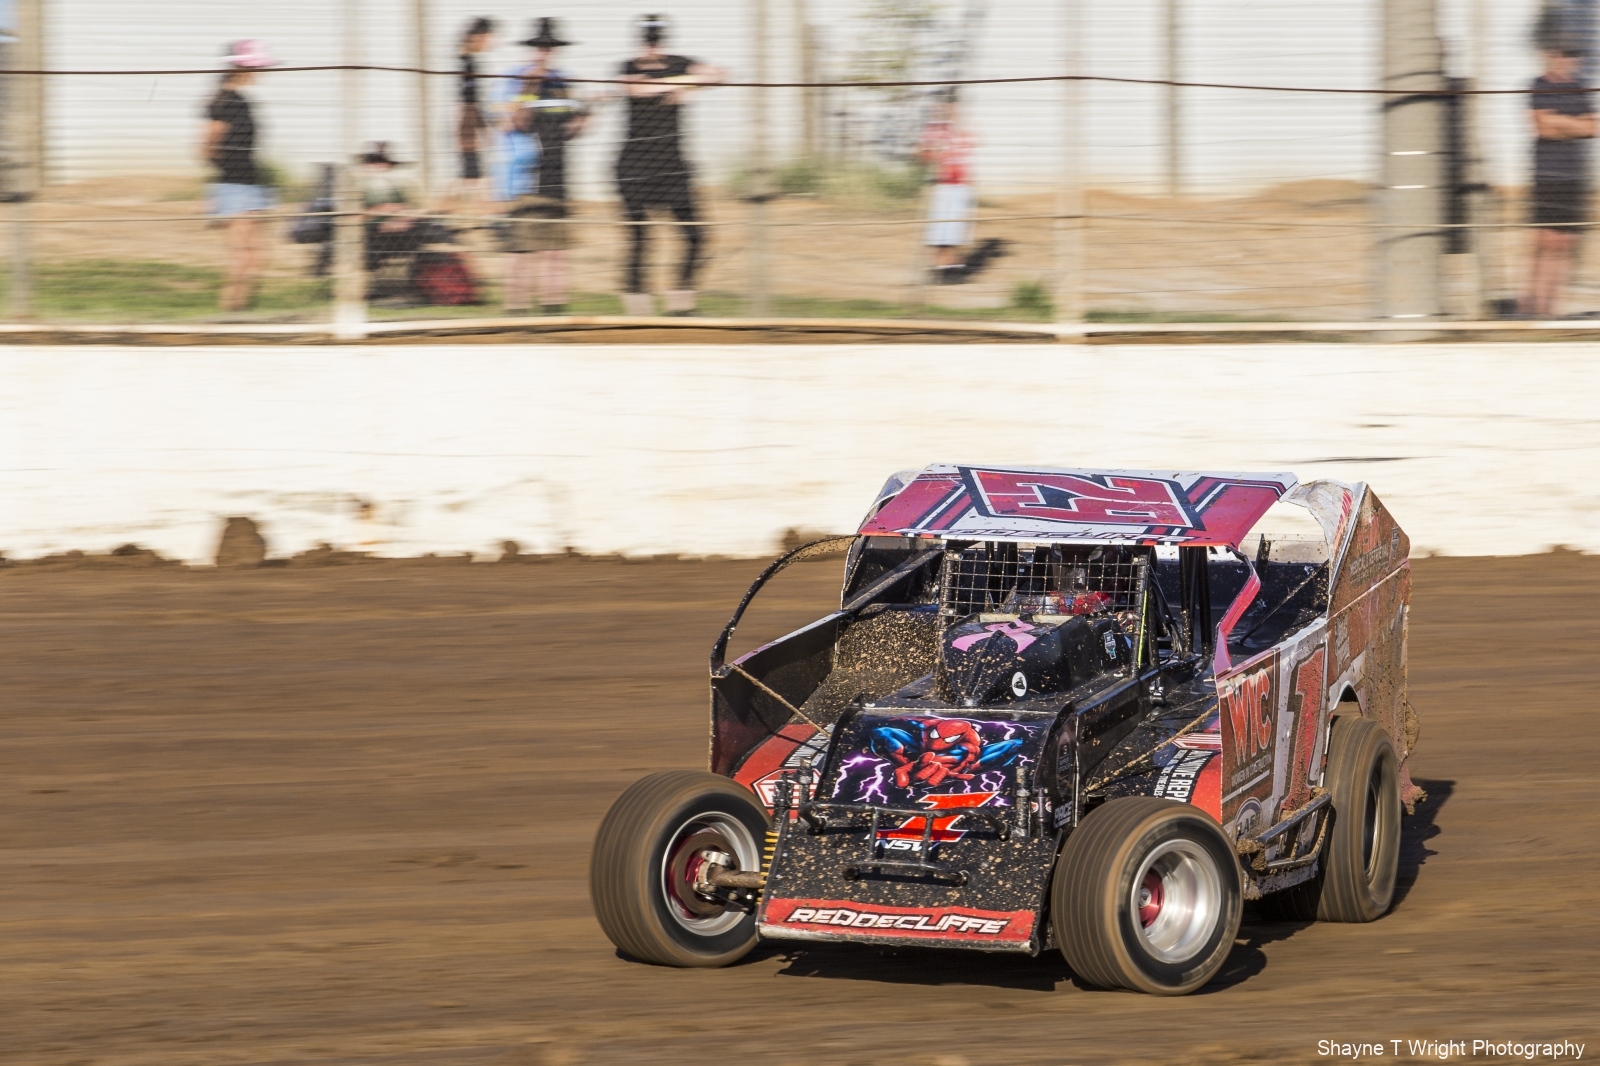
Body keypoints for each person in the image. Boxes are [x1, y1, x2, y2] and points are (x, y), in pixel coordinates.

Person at [615, 14, 724, 316]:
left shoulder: (680, 62)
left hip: (673, 166)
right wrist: (677, 86)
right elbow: (636, 89)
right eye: (647, 40)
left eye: (656, 39)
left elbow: (718, 74)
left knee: (696, 237)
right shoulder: (628, 66)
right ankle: (638, 310)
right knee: (640, 239)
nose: (652, 46)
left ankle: (680, 305)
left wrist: (687, 85)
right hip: (634, 166)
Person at [502, 19, 588, 314]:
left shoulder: (563, 83)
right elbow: (516, 121)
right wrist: (531, 83)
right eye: (540, 47)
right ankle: (516, 311)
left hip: (558, 176)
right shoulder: (516, 79)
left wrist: (586, 117)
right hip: (526, 180)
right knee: (522, 250)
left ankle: (554, 309)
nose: (545, 52)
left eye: (550, 47)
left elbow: (571, 130)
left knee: (557, 251)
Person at [200, 40, 278, 312]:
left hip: (251, 183)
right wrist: (223, 183)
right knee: (244, 255)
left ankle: (240, 310)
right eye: (255, 66)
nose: (259, 71)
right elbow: (206, 147)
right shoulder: (223, 101)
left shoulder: (242, 101)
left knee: (257, 255)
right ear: (238, 67)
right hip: (235, 185)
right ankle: (230, 310)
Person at [1524, 43, 1595, 317]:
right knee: (1545, 242)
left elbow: (1592, 127)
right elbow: (1542, 127)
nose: (1566, 61)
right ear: (1549, 56)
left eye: (1572, 56)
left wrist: (1559, 122)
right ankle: (1534, 307)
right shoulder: (1538, 86)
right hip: (1547, 174)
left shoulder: (1580, 88)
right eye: (1560, 55)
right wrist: (1572, 124)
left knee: (1565, 243)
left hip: (1573, 175)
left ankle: (1552, 310)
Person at [920, 93, 975, 284]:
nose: (952, 111)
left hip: (961, 186)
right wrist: (931, 152)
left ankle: (951, 269)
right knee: (939, 231)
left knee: (956, 230)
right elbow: (923, 156)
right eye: (948, 106)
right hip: (942, 185)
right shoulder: (935, 130)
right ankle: (939, 269)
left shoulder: (965, 130)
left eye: (954, 107)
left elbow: (969, 153)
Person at [456, 18, 496, 204]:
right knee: (471, 168)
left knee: (472, 167)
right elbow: (468, 101)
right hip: (467, 119)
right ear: (477, 38)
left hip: (469, 118)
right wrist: (483, 127)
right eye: (487, 38)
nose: (488, 43)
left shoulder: (467, 61)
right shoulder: (466, 63)